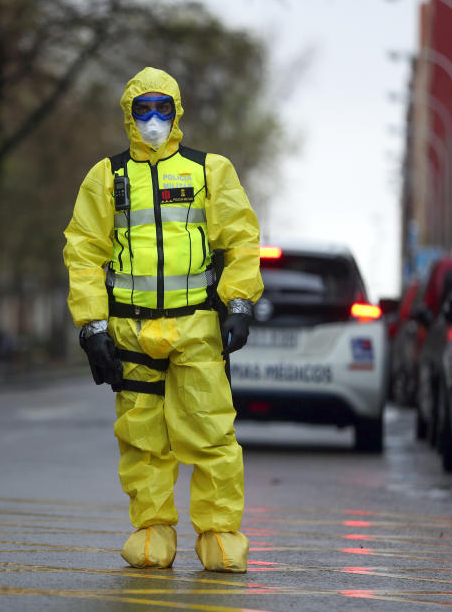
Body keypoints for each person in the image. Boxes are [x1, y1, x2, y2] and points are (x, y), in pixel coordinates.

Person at [63, 67, 263, 572]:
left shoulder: (208, 171)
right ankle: (152, 530)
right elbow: (84, 252)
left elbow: (239, 239)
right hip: (131, 329)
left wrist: (238, 304)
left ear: (177, 114)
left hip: (195, 325)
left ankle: (219, 534)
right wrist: (92, 328)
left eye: (162, 108)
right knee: (142, 437)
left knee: (211, 432)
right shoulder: (107, 177)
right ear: (128, 116)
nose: (153, 119)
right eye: (142, 109)